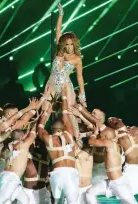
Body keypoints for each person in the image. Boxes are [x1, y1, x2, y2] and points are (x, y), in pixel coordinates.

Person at [38, 86, 84, 204]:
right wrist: (65, 96)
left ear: (52, 129)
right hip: (70, 172)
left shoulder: (48, 138)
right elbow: (66, 115)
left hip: (56, 174)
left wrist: (46, 110)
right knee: (72, 202)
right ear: (63, 128)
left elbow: (40, 127)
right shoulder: (69, 135)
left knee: (56, 201)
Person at [44, 3, 86, 138]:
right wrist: (61, 14)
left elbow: (80, 77)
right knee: (45, 111)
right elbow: (58, 30)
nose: (69, 47)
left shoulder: (77, 59)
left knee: (68, 113)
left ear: (75, 44)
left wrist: (82, 95)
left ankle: (75, 140)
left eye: (71, 44)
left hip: (65, 86)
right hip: (51, 84)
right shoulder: (59, 52)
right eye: (67, 44)